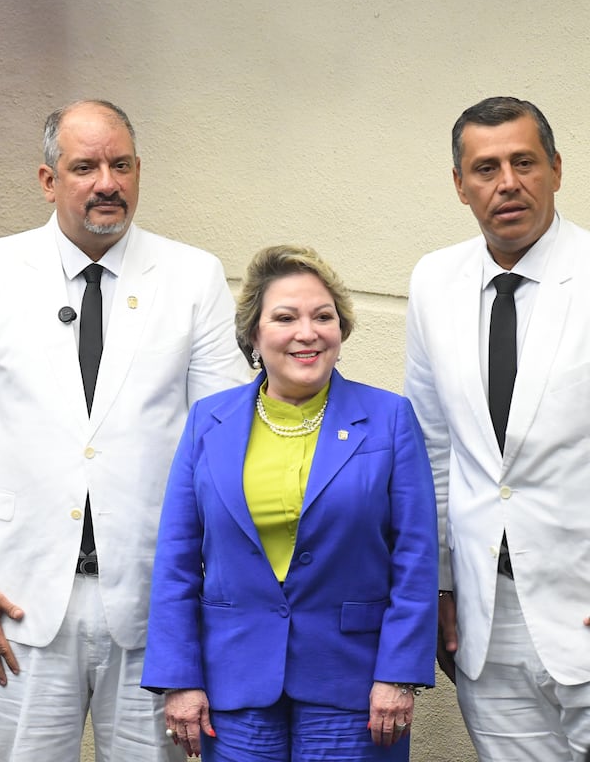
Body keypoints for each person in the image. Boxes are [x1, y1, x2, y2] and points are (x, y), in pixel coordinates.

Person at [0, 99, 248, 761]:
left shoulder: (193, 277)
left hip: (158, 600)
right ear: (49, 180)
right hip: (17, 599)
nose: (107, 182)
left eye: (121, 165)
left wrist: (214, 589)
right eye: (85, 166)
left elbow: (227, 442)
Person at [143, 245, 438, 760]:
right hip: (232, 686)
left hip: (355, 686)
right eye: (285, 317)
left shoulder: (390, 418)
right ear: (254, 335)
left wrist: (399, 673)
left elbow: (415, 558)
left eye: (323, 317)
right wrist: (178, 679)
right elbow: (177, 560)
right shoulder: (208, 422)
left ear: (341, 332)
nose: (307, 332)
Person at [404, 96, 590, 760]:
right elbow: (431, 445)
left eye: (523, 162)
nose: (506, 182)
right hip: (488, 618)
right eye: (485, 168)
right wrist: (442, 582)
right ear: (460, 185)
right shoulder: (434, 282)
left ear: (557, 170)